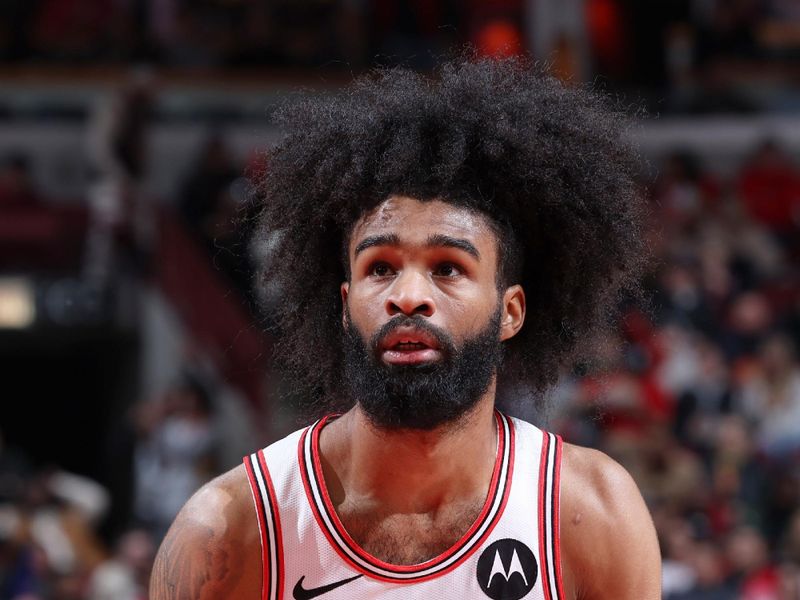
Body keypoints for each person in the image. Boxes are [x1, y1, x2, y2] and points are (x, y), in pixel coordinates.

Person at [150, 56, 662, 599]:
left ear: (510, 311)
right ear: (345, 306)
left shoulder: (589, 513)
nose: (408, 296)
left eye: (448, 267)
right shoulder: (228, 530)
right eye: (380, 268)